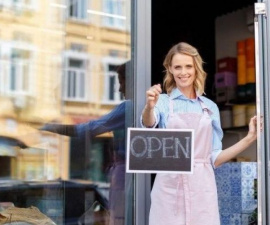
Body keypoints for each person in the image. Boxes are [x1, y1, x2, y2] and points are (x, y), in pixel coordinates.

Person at [141, 42, 258, 225]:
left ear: (196, 68)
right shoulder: (162, 102)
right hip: (169, 186)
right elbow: (149, 123)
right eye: (177, 67)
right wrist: (149, 106)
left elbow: (215, 158)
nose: (183, 72)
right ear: (170, 69)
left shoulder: (210, 107)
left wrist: (249, 138)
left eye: (188, 66)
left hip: (202, 187)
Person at [40, 61, 132, 225]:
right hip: (128, 175)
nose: (119, 89)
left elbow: (88, 129)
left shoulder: (129, 108)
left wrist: (51, 127)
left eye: (122, 82)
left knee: (119, 219)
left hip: (124, 176)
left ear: (131, 81)